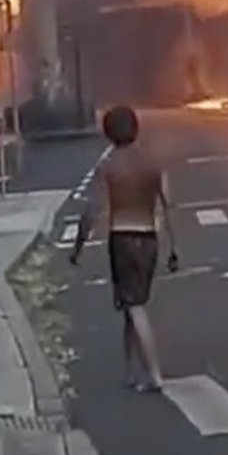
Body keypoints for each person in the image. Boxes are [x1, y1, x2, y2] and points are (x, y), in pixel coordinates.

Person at [69, 105, 180, 391]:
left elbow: (91, 210)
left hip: (123, 239)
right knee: (130, 304)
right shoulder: (152, 161)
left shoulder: (108, 166)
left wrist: (78, 247)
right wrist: (173, 249)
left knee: (134, 305)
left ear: (108, 133)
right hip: (149, 239)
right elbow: (168, 204)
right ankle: (131, 371)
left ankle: (154, 374)